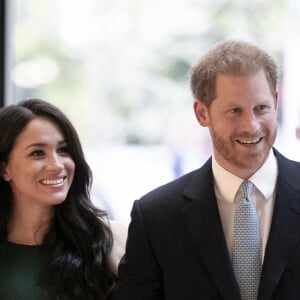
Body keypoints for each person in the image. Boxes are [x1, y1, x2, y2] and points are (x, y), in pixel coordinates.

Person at [111, 40, 300, 300]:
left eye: (261, 108)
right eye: (235, 111)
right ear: (202, 113)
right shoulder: (156, 217)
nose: (251, 125)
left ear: (276, 101)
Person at [0, 98, 127, 300]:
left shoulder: (109, 240)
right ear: (4, 168)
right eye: (37, 153)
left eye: (63, 150)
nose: (57, 165)